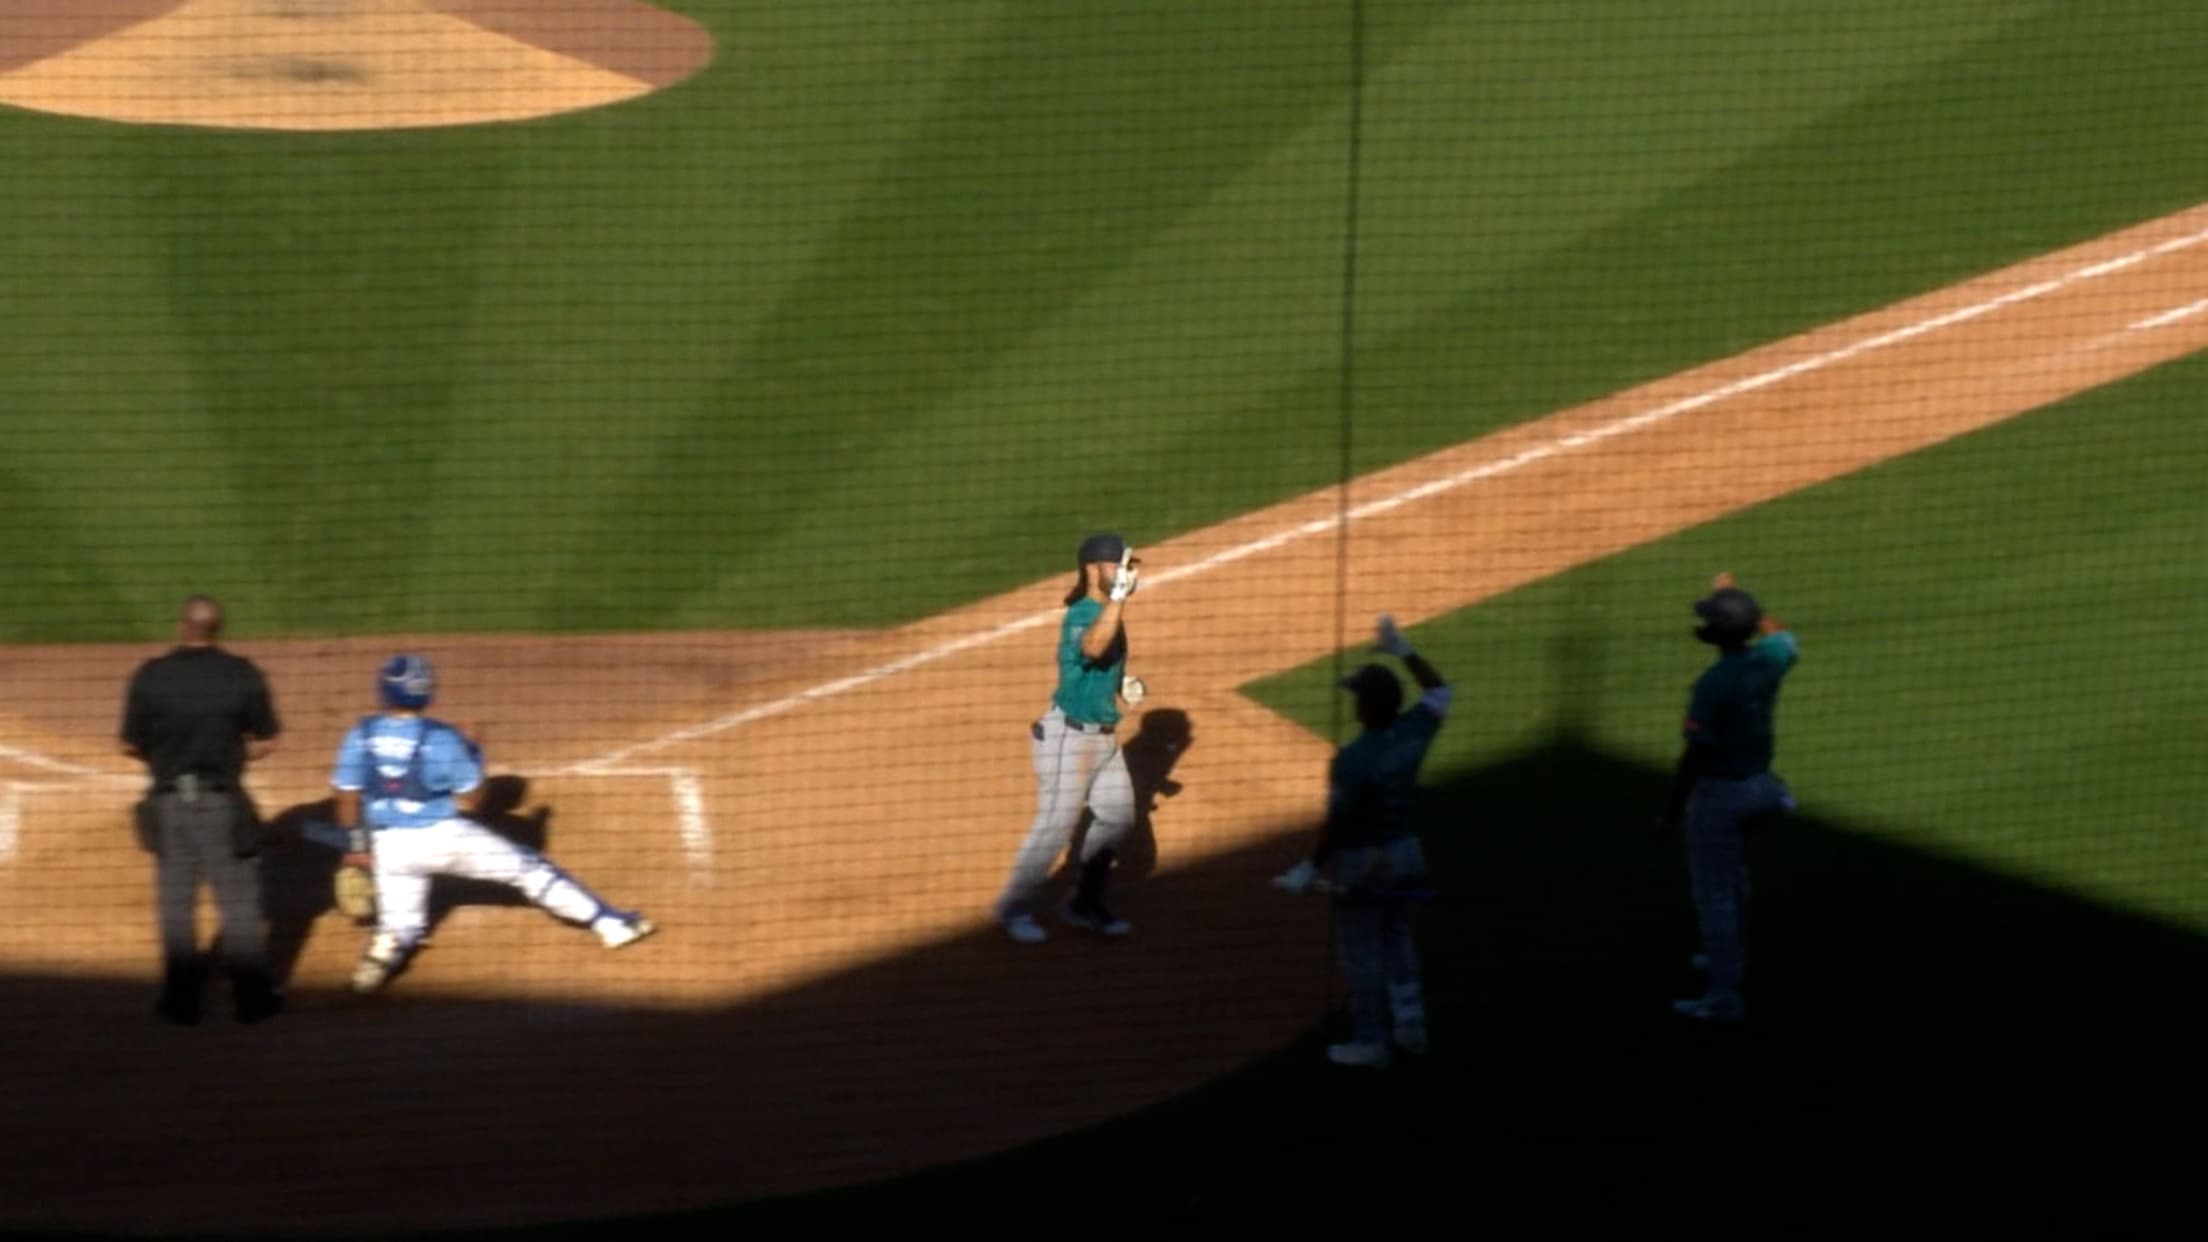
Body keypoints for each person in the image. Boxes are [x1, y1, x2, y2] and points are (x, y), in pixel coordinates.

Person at [331, 654, 656, 993]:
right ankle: (609, 923)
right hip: (445, 838)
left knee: (401, 924)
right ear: (426, 693)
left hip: (390, 849)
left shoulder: (361, 735)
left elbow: (345, 795)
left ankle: (383, 952)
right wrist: (472, 751)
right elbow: (474, 799)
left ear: (382, 691)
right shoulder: (442, 738)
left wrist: (354, 847)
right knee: (529, 869)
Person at [1273, 615, 1448, 1069]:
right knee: (1397, 936)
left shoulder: (1351, 761)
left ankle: (1372, 1041)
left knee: (1361, 952)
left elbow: (1339, 825)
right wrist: (1404, 651)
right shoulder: (1413, 732)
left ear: (1365, 708)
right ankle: (1412, 1029)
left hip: (1365, 864)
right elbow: (1440, 691)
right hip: (1409, 854)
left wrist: (1310, 867)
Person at [119, 595, 284, 1025]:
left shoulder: (151, 676)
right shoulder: (242, 675)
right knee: (239, 903)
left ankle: (180, 1001)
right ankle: (253, 1001)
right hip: (225, 803)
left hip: (169, 804)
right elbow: (267, 739)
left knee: (176, 902)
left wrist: (163, 759)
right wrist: (234, 754)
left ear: (182, 626)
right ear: (218, 629)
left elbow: (129, 743)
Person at [992, 533, 1146, 943]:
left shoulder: (1106, 610)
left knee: (1117, 817)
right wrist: (1118, 599)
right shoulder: (1083, 613)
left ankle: (1084, 903)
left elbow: (1100, 663)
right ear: (1094, 568)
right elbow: (1094, 648)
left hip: (1104, 738)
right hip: (1070, 740)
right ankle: (1013, 909)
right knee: (1054, 829)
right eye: (1119, 565)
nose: (1126, 573)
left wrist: (1122, 685)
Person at [1661, 572, 1799, 1024]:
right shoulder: (1770, 659)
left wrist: (1675, 806)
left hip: (1721, 795)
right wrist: (1748, 606)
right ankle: (1730, 954)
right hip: (1762, 786)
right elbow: (1783, 636)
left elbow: (1696, 753)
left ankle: (1723, 998)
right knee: (1733, 873)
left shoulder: (1713, 685)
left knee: (1713, 893)